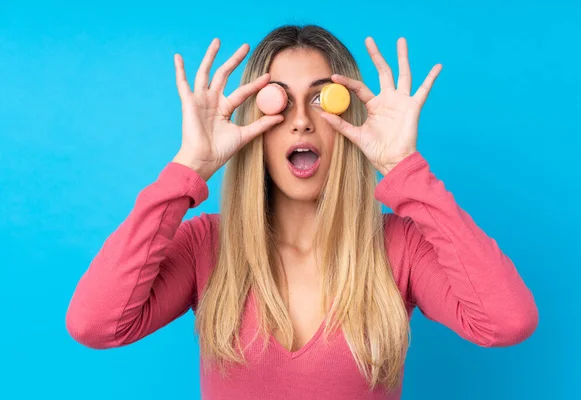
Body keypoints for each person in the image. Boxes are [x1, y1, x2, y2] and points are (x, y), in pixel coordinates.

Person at [65, 24, 539, 399]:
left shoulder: (398, 247)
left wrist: (406, 171)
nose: (300, 120)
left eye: (320, 97)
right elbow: (95, 324)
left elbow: (507, 322)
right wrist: (188, 167)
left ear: (347, 119)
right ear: (255, 124)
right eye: (280, 100)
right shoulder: (205, 246)